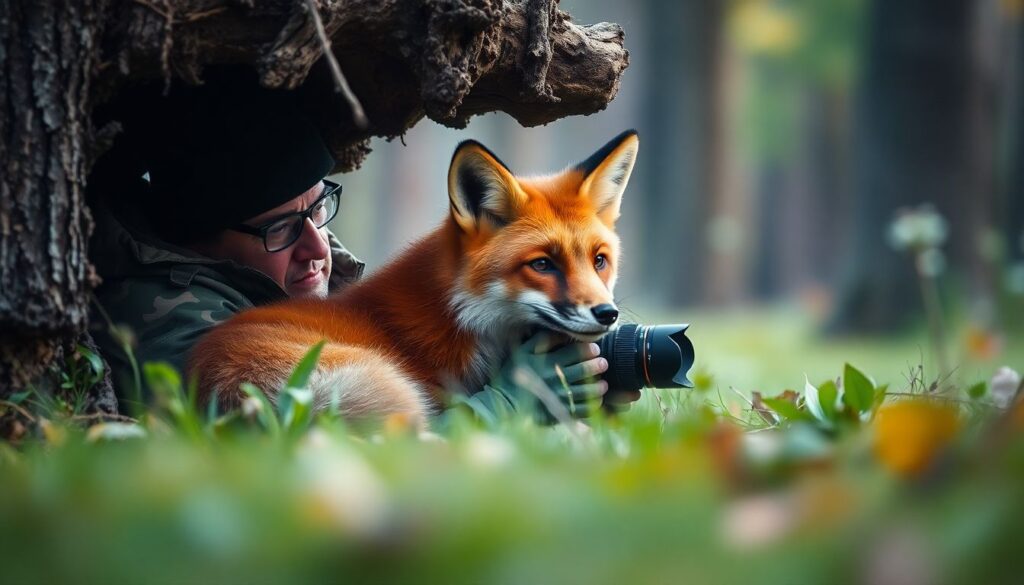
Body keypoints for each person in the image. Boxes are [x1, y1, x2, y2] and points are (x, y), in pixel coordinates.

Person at [89, 76, 626, 422]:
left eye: (318, 207)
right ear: (197, 243)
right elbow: (305, 454)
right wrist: (506, 405)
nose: (318, 248)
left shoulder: (288, 271)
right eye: (280, 229)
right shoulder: (162, 320)